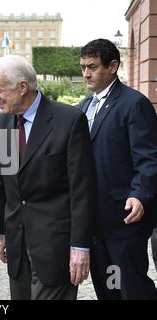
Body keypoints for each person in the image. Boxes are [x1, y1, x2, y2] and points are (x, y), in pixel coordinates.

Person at [0, 55, 97, 300]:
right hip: (17, 243)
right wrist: (1, 232)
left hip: (55, 247)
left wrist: (80, 247)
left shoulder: (68, 121)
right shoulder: (3, 122)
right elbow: (3, 184)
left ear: (22, 87)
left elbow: (82, 190)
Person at [78, 39, 157, 300]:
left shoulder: (134, 104)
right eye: (83, 67)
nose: (86, 74)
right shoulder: (83, 106)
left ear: (113, 66)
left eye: (92, 67)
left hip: (124, 220)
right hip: (95, 220)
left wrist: (141, 195)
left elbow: (148, 157)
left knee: (131, 288)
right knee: (108, 287)